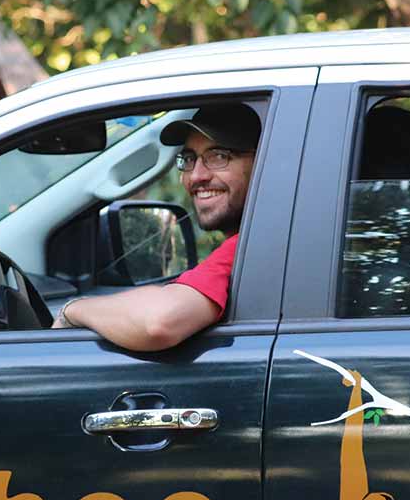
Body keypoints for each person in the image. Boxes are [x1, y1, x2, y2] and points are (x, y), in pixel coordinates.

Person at [50, 103, 261, 351]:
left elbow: (159, 323)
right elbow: (163, 300)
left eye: (219, 157)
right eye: (189, 159)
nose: (195, 176)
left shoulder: (251, 247)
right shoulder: (256, 243)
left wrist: (72, 311)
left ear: (262, 161)